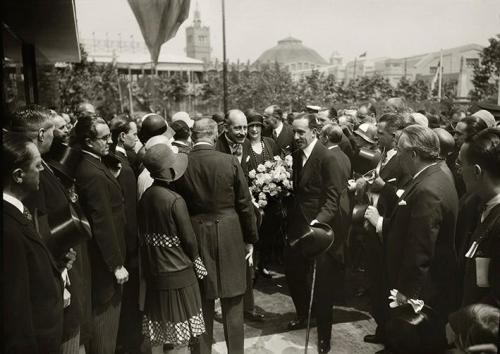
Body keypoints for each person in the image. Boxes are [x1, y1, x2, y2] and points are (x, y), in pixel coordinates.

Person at [365, 125, 459, 353]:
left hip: (420, 291)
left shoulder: (429, 188)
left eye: (399, 150)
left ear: (414, 154)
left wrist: (406, 295)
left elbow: (420, 248)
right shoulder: (429, 176)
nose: (396, 155)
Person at [173, 118, 258, 354]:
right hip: (230, 233)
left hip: (196, 233)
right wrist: (250, 238)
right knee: (233, 303)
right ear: (213, 135)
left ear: (193, 135)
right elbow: (245, 204)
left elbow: (177, 203)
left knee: (201, 303)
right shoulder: (229, 161)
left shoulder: (181, 163)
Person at [10, 105, 85, 354]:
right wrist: (59, 267)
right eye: (54, 130)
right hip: (50, 294)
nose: (58, 136)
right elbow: (37, 226)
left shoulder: (43, 164)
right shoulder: (29, 173)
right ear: (42, 134)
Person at [286, 113, 351, 353]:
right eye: (294, 131)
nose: (296, 136)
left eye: (301, 132)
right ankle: (304, 315)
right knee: (293, 272)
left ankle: (324, 337)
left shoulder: (328, 158)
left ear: (314, 131)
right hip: (297, 226)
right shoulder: (295, 155)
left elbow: (332, 201)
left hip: (320, 231)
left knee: (322, 287)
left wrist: (316, 224)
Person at [139, 144, 207, 354]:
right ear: (170, 172)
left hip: (156, 274)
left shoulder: (146, 197)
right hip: (180, 275)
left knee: (159, 332)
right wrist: (197, 262)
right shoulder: (175, 201)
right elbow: (189, 240)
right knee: (181, 338)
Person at [3, 131, 64, 353]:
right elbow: (14, 310)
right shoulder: (8, 230)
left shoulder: (18, 213)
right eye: (38, 166)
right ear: (18, 175)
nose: (42, 171)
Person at [72, 115, 128, 354]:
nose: (109, 142)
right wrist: (116, 265)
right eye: (104, 138)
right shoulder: (92, 172)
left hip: (102, 262)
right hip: (105, 268)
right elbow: (102, 221)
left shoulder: (92, 164)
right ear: (87, 140)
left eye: (110, 136)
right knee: (105, 332)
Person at [108, 115, 142, 354]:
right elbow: (129, 213)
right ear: (123, 136)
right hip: (128, 247)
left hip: (118, 243)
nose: (137, 139)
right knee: (130, 303)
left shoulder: (114, 159)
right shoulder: (124, 167)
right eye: (135, 134)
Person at [457, 128, 500, 306]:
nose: (458, 170)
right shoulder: (476, 204)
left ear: (476, 171)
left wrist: (460, 322)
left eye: (461, 164)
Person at [246, 110, 280, 278]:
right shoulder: (243, 145)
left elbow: (279, 164)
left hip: (271, 197)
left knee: (269, 231)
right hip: (251, 198)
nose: (254, 130)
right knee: (254, 231)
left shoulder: (270, 143)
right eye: (251, 126)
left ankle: (264, 263)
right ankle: (251, 264)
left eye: (257, 126)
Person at [215, 109, 252, 176]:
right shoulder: (216, 147)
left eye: (245, 128)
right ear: (226, 128)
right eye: (237, 128)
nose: (243, 133)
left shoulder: (247, 143)